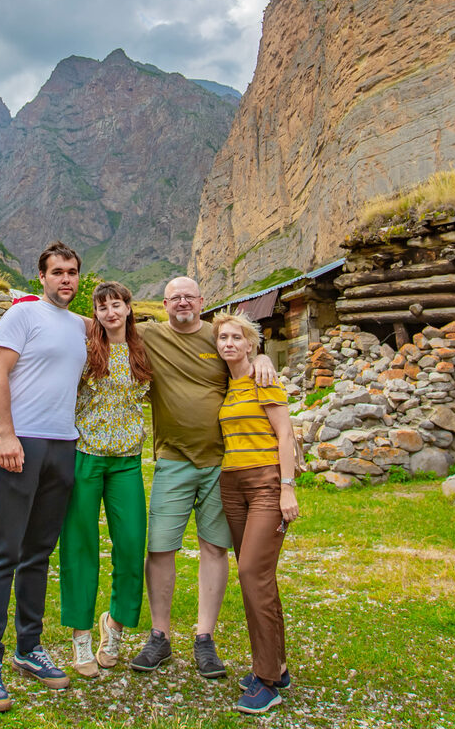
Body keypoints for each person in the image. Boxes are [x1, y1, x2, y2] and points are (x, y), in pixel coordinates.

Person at [131, 275, 275, 679]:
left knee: (215, 548)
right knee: (160, 549)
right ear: (163, 303)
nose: (182, 302)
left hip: (220, 464)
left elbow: (247, 349)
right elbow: (104, 327)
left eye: (188, 296)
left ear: (201, 301)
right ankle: (159, 637)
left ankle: (204, 639)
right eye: (174, 297)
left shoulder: (217, 335)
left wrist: (263, 358)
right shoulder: (149, 335)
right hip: (172, 460)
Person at [0, 242, 87, 714]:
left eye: (73, 272)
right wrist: (7, 436)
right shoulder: (22, 315)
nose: (66, 279)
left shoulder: (81, 327)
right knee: (4, 550)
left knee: (39, 552)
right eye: (57, 272)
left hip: (64, 445)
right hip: (23, 443)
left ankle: (29, 647)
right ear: (41, 277)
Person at [58, 281, 152, 676]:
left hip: (127, 461)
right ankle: (80, 638)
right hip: (86, 456)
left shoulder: (143, 351)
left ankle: (113, 625)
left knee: (131, 545)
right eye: (102, 307)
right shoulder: (84, 351)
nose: (110, 312)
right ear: (94, 314)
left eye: (116, 305)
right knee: (80, 547)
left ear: (129, 308)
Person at [213, 310, 298, 716]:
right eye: (223, 338)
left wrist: (286, 488)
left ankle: (266, 682)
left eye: (236, 338)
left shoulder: (265, 378)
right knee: (259, 577)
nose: (228, 343)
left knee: (251, 572)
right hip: (232, 485)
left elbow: (285, 433)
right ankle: (276, 667)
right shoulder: (227, 387)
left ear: (251, 344)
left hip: (266, 483)